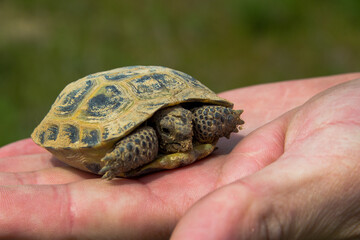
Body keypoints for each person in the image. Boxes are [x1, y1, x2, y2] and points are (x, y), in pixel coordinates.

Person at [0, 73, 359, 240]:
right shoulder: (146, 136)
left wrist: (222, 119)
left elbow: (204, 120)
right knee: (138, 146)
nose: (183, 135)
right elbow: (143, 139)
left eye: (186, 125)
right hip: (101, 115)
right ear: (160, 129)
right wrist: (119, 158)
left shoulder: (188, 122)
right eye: (173, 132)